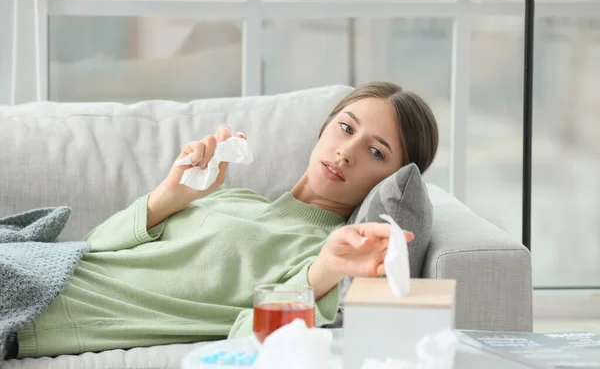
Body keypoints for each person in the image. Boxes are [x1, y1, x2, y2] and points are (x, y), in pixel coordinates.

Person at [11, 81, 439, 359]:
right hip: (33, 266)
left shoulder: (323, 255)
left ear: (394, 177)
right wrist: (169, 196)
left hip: (39, 308)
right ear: (324, 129)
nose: (347, 151)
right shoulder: (236, 198)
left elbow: (251, 342)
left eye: (376, 151)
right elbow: (93, 247)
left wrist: (322, 270)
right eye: (346, 128)